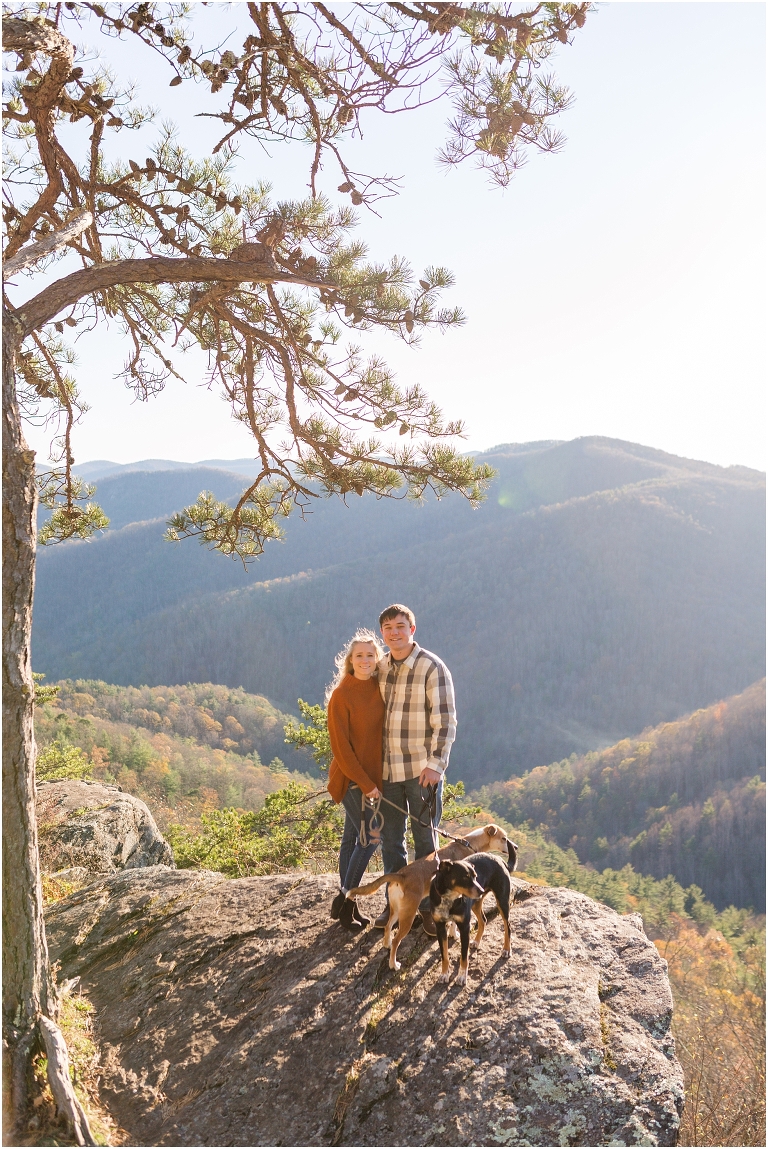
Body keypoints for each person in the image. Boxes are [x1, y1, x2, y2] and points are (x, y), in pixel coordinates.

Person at [376, 603, 457, 936]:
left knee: (426, 843)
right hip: (386, 770)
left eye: (400, 626)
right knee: (391, 841)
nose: (394, 633)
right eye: (388, 628)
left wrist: (436, 766)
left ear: (412, 629)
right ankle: (396, 904)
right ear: (383, 633)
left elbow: (446, 720)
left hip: (421, 769)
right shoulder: (380, 667)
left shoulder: (431, 667)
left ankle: (429, 909)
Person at [326, 629, 386, 931]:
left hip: (372, 778)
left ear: (377, 660)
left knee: (352, 839)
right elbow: (342, 750)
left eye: (370, 655)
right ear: (350, 660)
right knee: (372, 838)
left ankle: (347, 906)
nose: (365, 660)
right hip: (351, 779)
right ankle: (345, 899)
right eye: (359, 655)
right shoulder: (341, 695)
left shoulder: (379, 687)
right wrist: (366, 784)